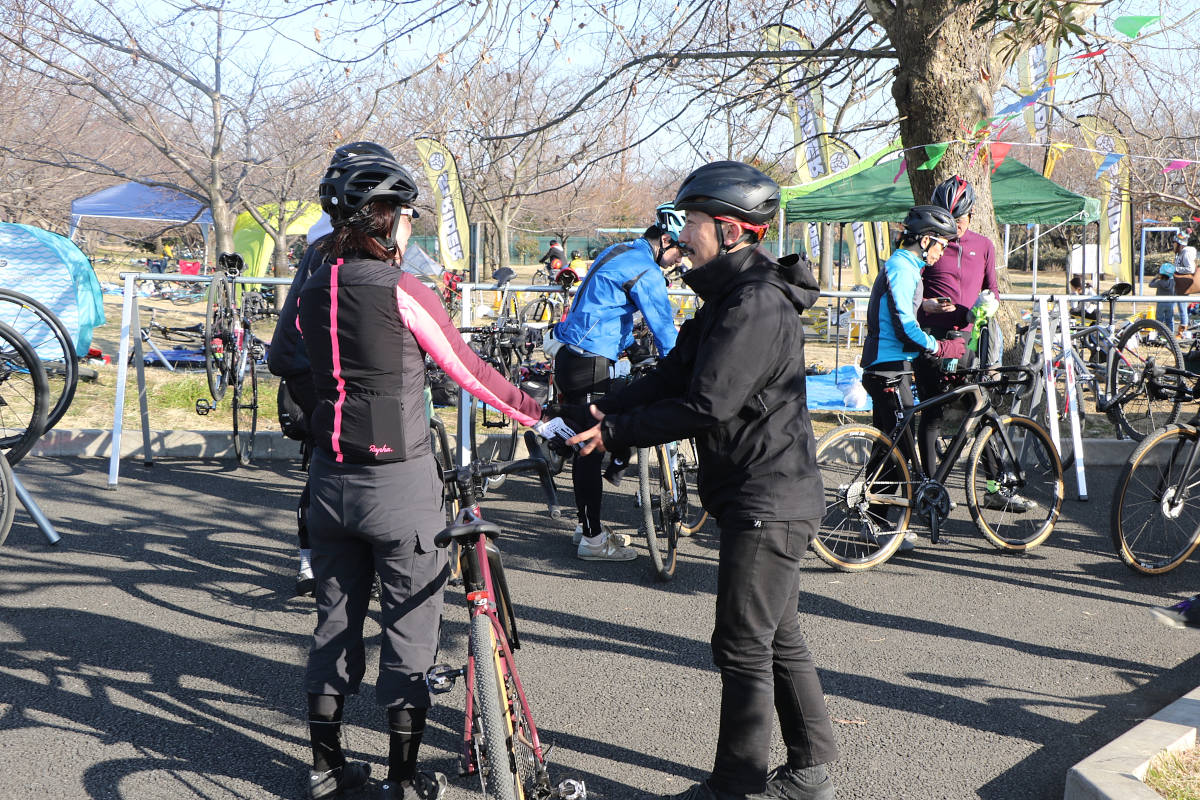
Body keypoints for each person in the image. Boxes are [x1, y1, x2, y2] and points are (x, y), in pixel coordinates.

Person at [567, 161, 839, 800]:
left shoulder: (755, 305)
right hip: (761, 491)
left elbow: (707, 403)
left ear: (731, 230)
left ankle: (736, 785)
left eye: (692, 222)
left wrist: (616, 435)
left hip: (768, 495)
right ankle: (810, 770)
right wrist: (609, 405)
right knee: (778, 634)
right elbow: (675, 373)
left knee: (742, 644)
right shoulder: (726, 297)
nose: (682, 234)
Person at [297, 148, 543, 800]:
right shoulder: (404, 290)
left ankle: (326, 772)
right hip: (400, 483)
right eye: (408, 216)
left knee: (333, 624)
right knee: (410, 627)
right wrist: (542, 420)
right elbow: (466, 370)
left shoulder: (313, 282)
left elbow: (284, 358)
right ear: (384, 221)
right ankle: (403, 781)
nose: (413, 228)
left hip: (329, 479)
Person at [268, 141, 394, 597]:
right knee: (375, 460)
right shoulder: (350, 250)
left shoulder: (325, 242)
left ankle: (318, 561)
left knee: (330, 465)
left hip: (311, 372)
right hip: (335, 379)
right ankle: (347, 562)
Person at [552, 202, 685, 560]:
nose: (679, 260)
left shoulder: (620, 250)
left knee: (587, 444)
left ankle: (586, 526)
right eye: (680, 250)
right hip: (591, 360)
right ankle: (593, 539)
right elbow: (664, 328)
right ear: (667, 239)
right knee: (590, 449)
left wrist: (632, 347)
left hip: (572, 355)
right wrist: (680, 365)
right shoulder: (647, 270)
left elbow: (605, 309)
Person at [861, 205, 965, 551]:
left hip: (892, 366)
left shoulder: (906, 266)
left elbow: (900, 310)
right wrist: (938, 347)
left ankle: (875, 519)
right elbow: (904, 327)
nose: (942, 252)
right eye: (940, 245)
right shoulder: (903, 268)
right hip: (888, 368)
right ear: (924, 239)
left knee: (890, 448)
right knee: (895, 453)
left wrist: (926, 308)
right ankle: (875, 524)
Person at [919, 175, 1003, 468]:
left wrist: (988, 304)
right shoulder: (930, 244)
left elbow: (993, 289)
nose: (953, 226)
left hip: (968, 337)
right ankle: (930, 487)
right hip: (932, 335)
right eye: (946, 219)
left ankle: (996, 485)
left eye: (959, 219)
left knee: (979, 407)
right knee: (932, 414)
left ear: (971, 214)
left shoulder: (983, 245)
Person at [1149, 263, 1178, 331]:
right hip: (1170, 303)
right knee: (1170, 320)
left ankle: (1159, 334)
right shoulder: (1173, 282)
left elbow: (1150, 285)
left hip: (1161, 303)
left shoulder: (1159, 282)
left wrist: (1155, 278)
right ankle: (1171, 334)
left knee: (1159, 320)